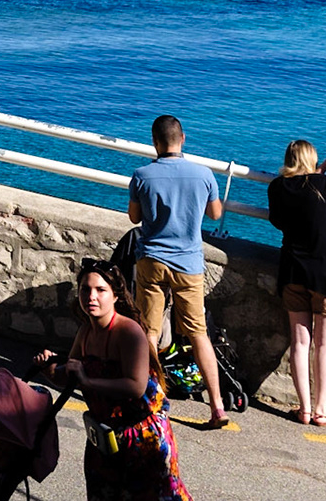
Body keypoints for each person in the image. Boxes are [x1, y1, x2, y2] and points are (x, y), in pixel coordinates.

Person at [35, 260, 192, 501]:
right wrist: (48, 368)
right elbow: (69, 376)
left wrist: (87, 381)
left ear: (115, 295)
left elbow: (135, 386)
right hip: (106, 437)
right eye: (85, 290)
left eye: (100, 290)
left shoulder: (129, 333)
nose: (91, 296)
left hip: (143, 440)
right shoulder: (86, 332)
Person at [126, 115, 227, 427]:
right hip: (188, 263)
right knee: (198, 333)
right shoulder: (204, 174)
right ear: (183, 138)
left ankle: (148, 397)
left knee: (150, 331)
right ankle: (217, 406)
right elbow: (215, 213)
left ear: (155, 142)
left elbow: (133, 218)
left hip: (152, 260)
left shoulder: (142, 175)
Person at [268, 138, 326, 427]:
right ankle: (323, 410)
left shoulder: (276, 187)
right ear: (313, 160)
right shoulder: (323, 185)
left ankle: (305, 409)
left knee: (299, 341)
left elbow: (277, 220)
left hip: (292, 270)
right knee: (324, 344)